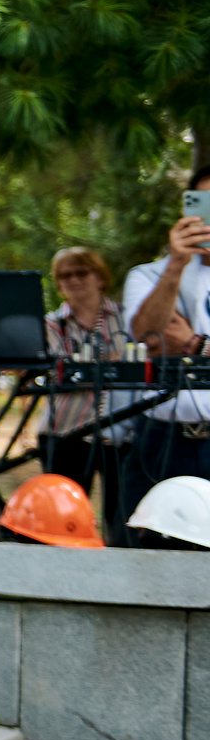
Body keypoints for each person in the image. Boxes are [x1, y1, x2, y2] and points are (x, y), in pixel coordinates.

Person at [122, 165, 210, 515]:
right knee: (141, 547)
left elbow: (178, 341)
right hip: (163, 436)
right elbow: (148, 336)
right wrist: (176, 264)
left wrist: (196, 344)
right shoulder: (150, 274)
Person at [40, 245, 132, 538]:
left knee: (121, 518)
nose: (74, 280)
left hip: (121, 430)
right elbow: (58, 370)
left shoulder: (127, 316)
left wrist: (85, 367)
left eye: (81, 272)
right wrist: (112, 364)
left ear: (100, 277)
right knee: (62, 517)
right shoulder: (52, 323)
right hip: (66, 430)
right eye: (65, 275)